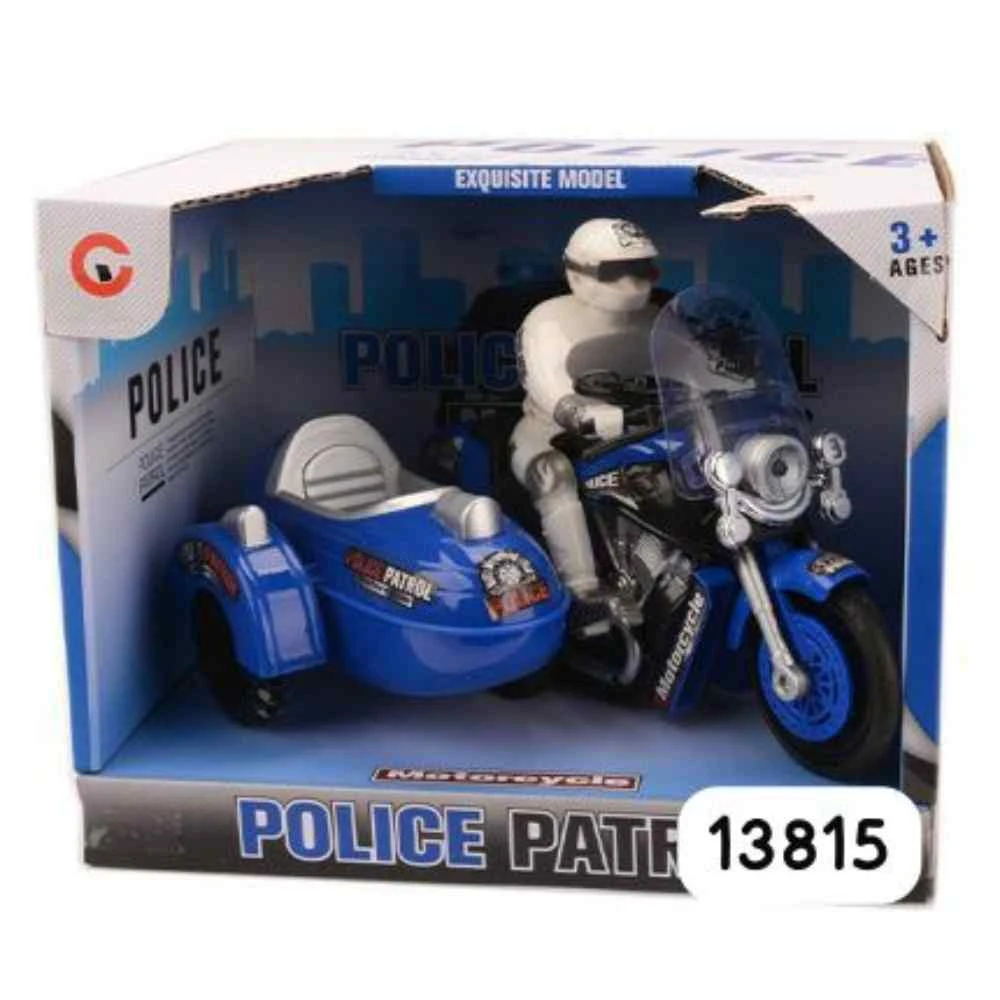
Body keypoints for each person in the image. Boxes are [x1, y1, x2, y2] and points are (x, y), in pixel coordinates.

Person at [511, 218, 660, 617]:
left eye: (642, 269)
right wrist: (574, 410)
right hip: (551, 432)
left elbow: (696, 369)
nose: (632, 282)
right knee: (552, 474)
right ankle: (583, 592)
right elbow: (546, 380)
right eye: (614, 271)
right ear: (576, 274)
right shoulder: (548, 319)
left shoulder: (661, 321)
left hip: (643, 432)